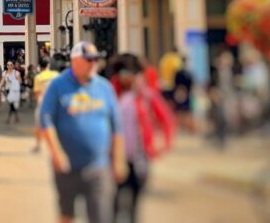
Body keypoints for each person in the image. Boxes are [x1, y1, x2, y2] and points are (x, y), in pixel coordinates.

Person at [39, 41, 125, 223]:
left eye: (95, 60)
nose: (93, 63)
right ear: (75, 61)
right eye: (89, 60)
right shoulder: (58, 86)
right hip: (67, 167)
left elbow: (116, 126)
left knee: (101, 216)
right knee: (66, 215)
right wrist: (57, 154)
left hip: (98, 167)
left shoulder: (104, 87)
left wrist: (118, 160)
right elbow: (46, 120)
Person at [111, 54, 174, 223]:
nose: (127, 77)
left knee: (134, 205)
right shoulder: (110, 94)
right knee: (114, 203)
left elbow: (166, 118)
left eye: (131, 72)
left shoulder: (145, 95)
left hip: (139, 159)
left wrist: (164, 144)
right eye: (123, 72)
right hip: (115, 159)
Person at [32, 57, 59, 152]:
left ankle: (38, 145)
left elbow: (37, 93)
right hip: (56, 103)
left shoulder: (38, 77)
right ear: (48, 66)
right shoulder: (56, 75)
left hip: (43, 103)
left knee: (39, 125)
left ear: (40, 67)